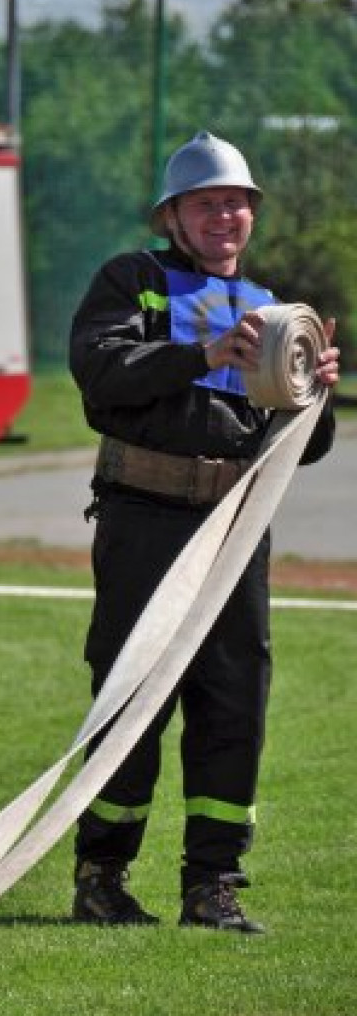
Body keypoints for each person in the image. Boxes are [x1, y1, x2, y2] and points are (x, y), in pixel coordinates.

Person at [69, 131, 340, 933]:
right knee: (131, 699)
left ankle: (212, 884)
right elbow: (101, 374)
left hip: (236, 527)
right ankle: (102, 878)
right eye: (207, 202)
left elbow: (300, 447)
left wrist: (314, 394)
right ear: (174, 216)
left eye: (237, 202)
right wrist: (202, 351)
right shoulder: (134, 281)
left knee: (234, 702)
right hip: (145, 520)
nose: (225, 214)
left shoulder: (271, 303)